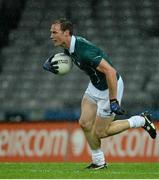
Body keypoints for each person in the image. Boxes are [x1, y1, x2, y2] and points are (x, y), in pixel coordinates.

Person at [43, 18, 157, 170]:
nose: (51, 35)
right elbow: (68, 59)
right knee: (84, 123)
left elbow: (110, 71)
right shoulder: (69, 47)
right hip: (95, 85)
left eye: (54, 32)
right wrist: (51, 63)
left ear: (66, 33)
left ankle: (141, 120)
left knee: (101, 132)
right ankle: (99, 162)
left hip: (109, 87)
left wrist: (113, 100)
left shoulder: (84, 50)